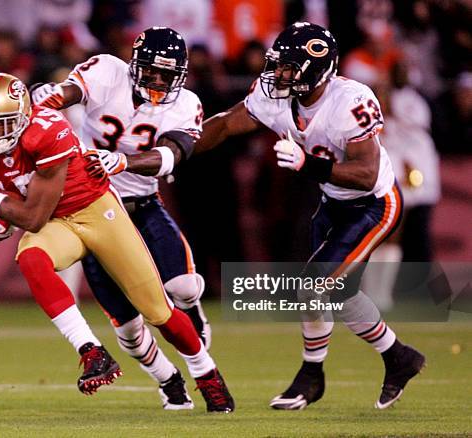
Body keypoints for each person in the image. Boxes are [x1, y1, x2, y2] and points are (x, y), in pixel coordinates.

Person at [123, 22, 425, 410]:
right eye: (278, 65)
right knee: (337, 293)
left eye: (288, 68)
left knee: (314, 288)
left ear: (316, 71)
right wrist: (177, 149)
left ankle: (311, 375)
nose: (278, 75)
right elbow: (228, 123)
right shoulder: (276, 97)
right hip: (333, 202)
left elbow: (366, 175)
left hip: (374, 203)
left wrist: (307, 164)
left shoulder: (351, 100)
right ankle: (398, 357)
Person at [0, 72, 234, 412]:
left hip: (94, 210)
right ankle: (91, 350)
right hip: (58, 223)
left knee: (157, 310)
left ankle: (206, 373)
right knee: (30, 259)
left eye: (2, 123)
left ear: (24, 116)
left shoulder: (47, 131)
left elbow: (31, 218)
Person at [30, 27, 217, 410]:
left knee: (182, 287)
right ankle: (169, 381)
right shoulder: (109, 71)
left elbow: (172, 156)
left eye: (169, 74)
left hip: (142, 204)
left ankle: (192, 314)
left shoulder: (186, 104)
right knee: (130, 330)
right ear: (136, 65)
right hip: (95, 208)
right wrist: (50, 97)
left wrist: (124, 161)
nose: (161, 81)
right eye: (154, 71)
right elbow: (69, 93)